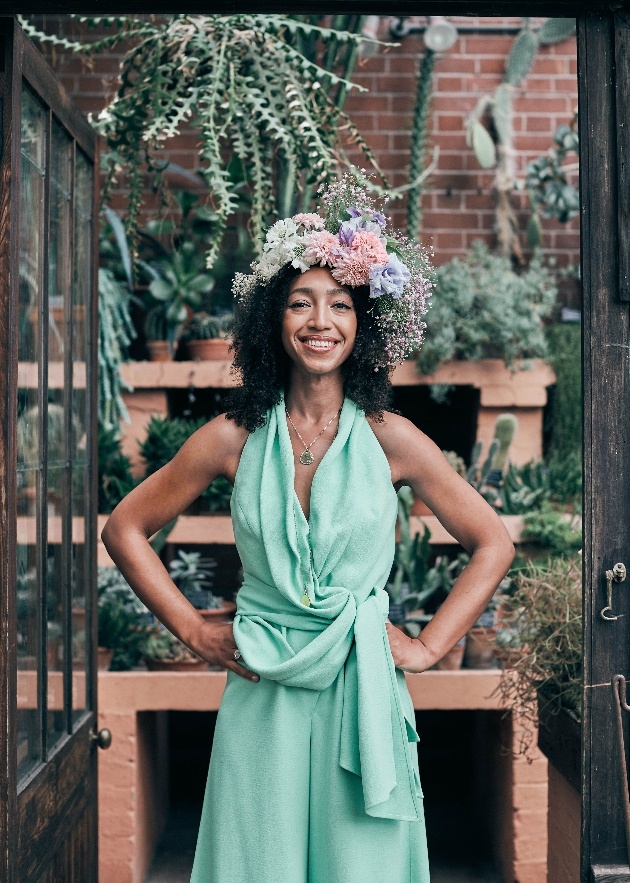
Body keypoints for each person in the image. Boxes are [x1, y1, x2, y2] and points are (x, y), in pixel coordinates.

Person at [101, 176, 515, 883]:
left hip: (362, 684)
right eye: (300, 302)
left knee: (362, 867)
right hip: (263, 686)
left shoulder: (394, 439)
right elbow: (125, 527)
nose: (320, 320)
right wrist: (194, 630)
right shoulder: (231, 438)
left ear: (362, 324)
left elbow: (494, 541)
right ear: (274, 319)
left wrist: (427, 645)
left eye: (340, 304)